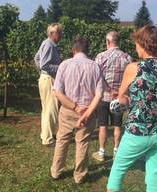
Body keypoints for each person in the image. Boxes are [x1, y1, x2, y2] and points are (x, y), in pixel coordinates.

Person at [107, 26, 157, 192]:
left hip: (137, 131)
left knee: (117, 171)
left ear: (143, 44)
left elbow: (121, 98)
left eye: (137, 43)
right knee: (154, 177)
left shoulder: (134, 68)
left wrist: (124, 100)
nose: (135, 47)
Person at [50, 37, 103, 184]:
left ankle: (56, 171)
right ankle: (79, 175)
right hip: (88, 112)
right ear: (87, 51)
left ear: (74, 50)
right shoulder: (95, 66)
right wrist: (86, 112)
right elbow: (99, 95)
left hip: (67, 110)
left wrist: (75, 107)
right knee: (83, 142)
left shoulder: (64, 65)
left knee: (62, 140)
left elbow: (58, 92)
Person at [92, 31, 132, 161]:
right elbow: (130, 78)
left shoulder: (100, 57)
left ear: (108, 42)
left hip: (104, 97)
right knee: (117, 125)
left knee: (103, 125)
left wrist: (109, 89)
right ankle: (116, 151)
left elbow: (97, 77)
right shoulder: (127, 58)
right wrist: (119, 91)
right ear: (118, 41)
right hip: (119, 98)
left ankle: (102, 152)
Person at [34, 23, 62, 146]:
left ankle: (45, 134)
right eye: (59, 32)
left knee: (47, 109)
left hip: (45, 78)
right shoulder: (49, 45)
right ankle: (48, 139)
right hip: (49, 79)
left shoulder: (47, 44)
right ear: (52, 34)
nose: (61, 35)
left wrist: (42, 73)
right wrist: (60, 67)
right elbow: (44, 64)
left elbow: (37, 59)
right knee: (51, 109)